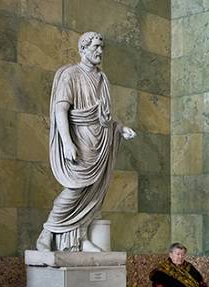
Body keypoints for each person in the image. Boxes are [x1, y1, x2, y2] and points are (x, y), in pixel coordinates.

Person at [36, 31, 136, 252]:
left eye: (102, 47)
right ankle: (48, 231)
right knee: (74, 189)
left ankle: (79, 239)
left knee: (93, 192)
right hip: (81, 141)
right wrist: (67, 142)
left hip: (100, 141)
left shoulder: (103, 79)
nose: (100, 51)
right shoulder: (70, 75)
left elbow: (105, 117)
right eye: (95, 47)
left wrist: (120, 128)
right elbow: (60, 109)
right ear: (83, 49)